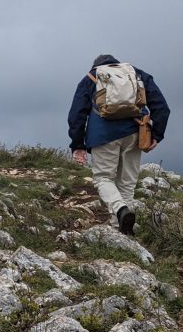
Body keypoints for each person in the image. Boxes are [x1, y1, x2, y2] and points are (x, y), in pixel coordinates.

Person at [68, 54, 170, 235]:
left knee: (104, 178)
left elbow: (77, 114)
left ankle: (121, 211)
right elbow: (162, 106)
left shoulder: (91, 77)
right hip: (134, 132)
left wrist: (78, 144)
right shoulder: (137, 74)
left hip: (103, 135)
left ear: (97, 66)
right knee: (127, 182)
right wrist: (156, 134)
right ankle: (120, 228)